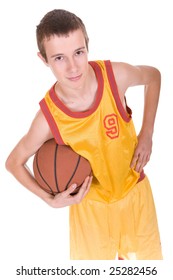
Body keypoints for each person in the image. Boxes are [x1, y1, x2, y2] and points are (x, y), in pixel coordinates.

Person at [5, 9, 162, 260]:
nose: (73, 66)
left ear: (87, 45)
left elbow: (153, 76)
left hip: (135, 194)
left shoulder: (115, 76)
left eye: (78, 52)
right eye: (59, 58)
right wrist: (49, 199)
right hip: (89, 210)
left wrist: (147, 132)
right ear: (43, 59)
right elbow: (13, 162)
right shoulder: (49, 118)